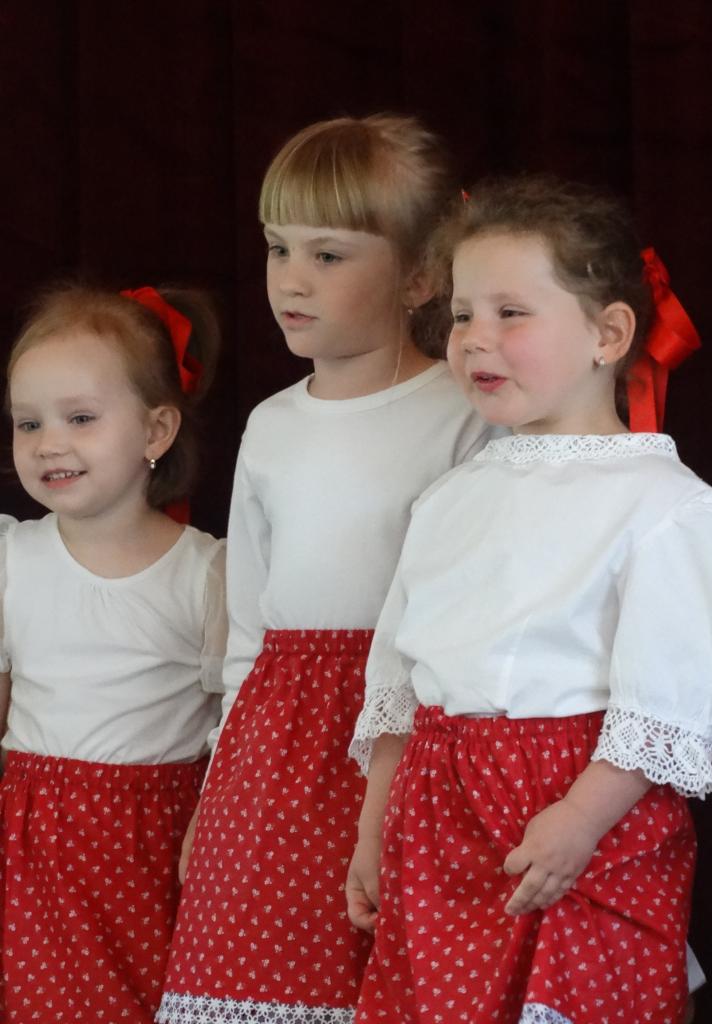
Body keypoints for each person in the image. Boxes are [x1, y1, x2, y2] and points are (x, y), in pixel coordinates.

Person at [347, 174, 712, 1023]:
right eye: (462, 314)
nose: (475, 339)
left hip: (578, 828)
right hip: (438, 829)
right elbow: (399, 687)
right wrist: (373, 829)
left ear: (609, 334)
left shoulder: (668, 507)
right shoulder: (449, 499)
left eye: (511, 313)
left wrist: (578, 820)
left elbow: (664, 709)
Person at [158, 114, 496, 1024]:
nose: (291, 280)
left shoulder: (465, 414)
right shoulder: (270, 426)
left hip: (410, 736)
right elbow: (249, 634)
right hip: (276, 749)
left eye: (329, 255)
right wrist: (216, 795)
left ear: (419, 275)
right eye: (278, 248)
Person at [0, 284, 226, 1023]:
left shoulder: (208, 572)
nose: (48, 443)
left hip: (156, 845)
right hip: (31, 845)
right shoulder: (11, 557)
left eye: (80, 418)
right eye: (28, 422)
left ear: (157, 429)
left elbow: (233, 726)